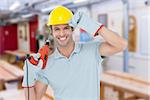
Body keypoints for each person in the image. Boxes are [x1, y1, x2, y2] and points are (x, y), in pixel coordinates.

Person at [22, 6, 127, 100]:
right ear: (52, 32)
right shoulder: (46, 64)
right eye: (57, 29)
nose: (62, 33)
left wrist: (95, 27)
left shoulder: (91, 50)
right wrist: (28, 78)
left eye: (66, 28)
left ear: (72, 29)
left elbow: (121, 45)